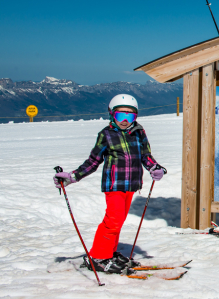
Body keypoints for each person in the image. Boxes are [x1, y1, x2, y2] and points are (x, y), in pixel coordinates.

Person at [53, 94, 166, 274]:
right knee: (112, 221)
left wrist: (155, 168)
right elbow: (93, 161)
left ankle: (109, 253)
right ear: (112, 115)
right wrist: (73, 176)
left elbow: (146, 155)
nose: (125, 120)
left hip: (132, 185)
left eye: (130, 116)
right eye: (120, 115)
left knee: (118, 221)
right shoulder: (106, 134)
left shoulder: (139, 132)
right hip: (114, 185)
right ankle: (98, 257)